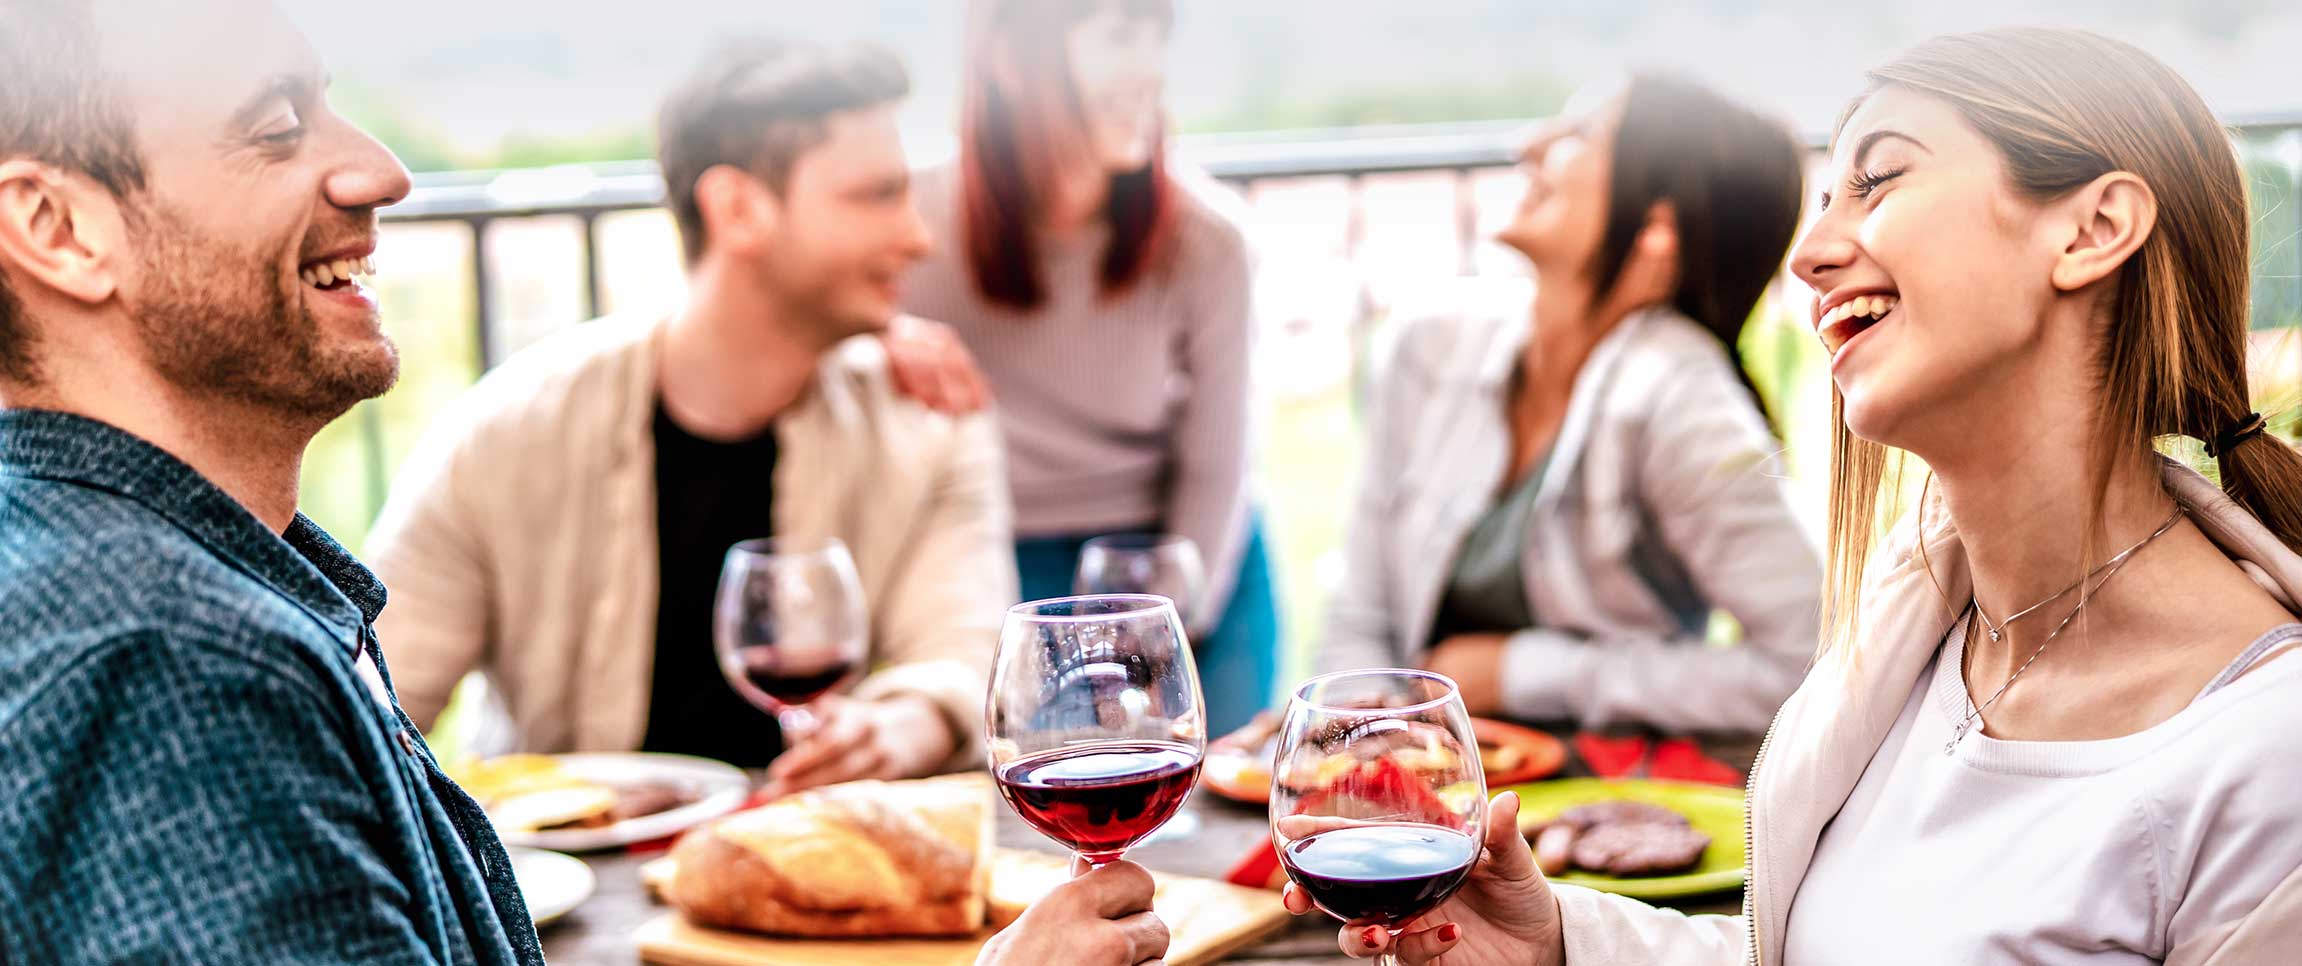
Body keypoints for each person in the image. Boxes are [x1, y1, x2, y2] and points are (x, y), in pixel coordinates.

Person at [1295, 27, 2302, 964]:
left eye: (1878, 180)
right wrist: (1561, 941)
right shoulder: (1915, 638)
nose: (1808, 256)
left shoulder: (2267, 755)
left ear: (2092, 229)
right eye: (1825, 198)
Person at [0, 0, 537, 958]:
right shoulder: (172, 664)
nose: (384, 172)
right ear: (60, 228)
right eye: (278, 127)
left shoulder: (100, 569)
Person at [366, 39, 1013, 796]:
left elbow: (966, 658)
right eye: (876, 196)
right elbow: (368, 703)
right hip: (568, 892)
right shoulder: (506, 433)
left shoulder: (932, 418)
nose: (917, 236)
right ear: (739, 209)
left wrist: (903, 726)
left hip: (823, 876)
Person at [1316, 74, 1818, 732]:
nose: (1533, 145)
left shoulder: (1683, 403)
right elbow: (1361, 608)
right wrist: (1360, 740)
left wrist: (1526, 673)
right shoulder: (1429, 343)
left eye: (1583, 136)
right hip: (1416, 786)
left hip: (1599, 798)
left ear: (1657, 228)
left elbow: (1810, 664)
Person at [888, 0, 1280, 735]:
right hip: (998, 560)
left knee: (1216, 820)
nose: (1151, 67)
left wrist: (1146, 639)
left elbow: (1215, 472)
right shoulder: (914, 221)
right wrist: (879, 331)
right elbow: (816, 319)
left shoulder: (1208, 242)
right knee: (1022, 819)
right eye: (1120, 33)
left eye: (1158, 34)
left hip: (1177, 556)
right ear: (1008, 56)